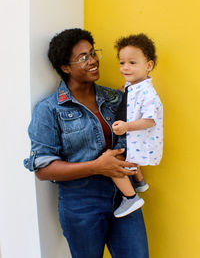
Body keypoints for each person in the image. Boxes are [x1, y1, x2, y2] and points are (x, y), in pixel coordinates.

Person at [24, 28, 149, 258]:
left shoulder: (114, 98)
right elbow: (42, 168)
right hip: (82, 204)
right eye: (83, 57)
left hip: (126, 196)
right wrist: (96, 167)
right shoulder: (49, 109)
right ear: (65, 68)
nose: (93, 61)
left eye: (93, 53)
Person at [112, 33, 163, 218]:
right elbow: (128, 94)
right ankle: (140, 182)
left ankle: (131, 197)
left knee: (115, 164)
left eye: (132, 63)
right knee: (130, 157)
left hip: (131, 135)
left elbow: (150, 120)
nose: (125, 68)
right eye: (122, 63)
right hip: (128, 136)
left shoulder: (148, 93)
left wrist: (126, 127)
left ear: (148, 66)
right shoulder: (132, 85)